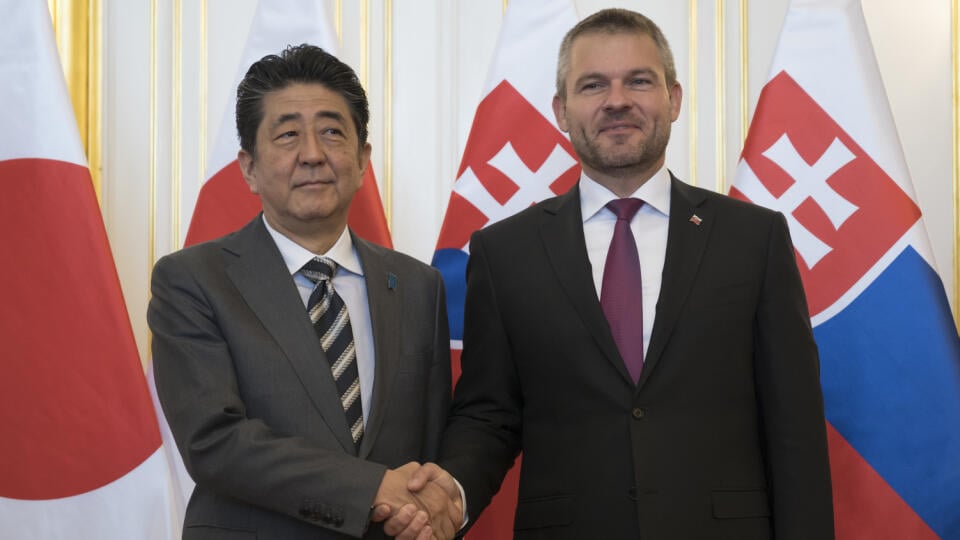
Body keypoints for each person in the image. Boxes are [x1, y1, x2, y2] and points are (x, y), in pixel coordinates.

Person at [391, 8, 834, 539]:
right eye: (593, 84)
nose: (617, 100)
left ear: (673, 98)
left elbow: (795, 428)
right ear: (561, 109)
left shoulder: (753, 239)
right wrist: (449, 496)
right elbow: (490, 414)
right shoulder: (504, 251)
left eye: (639, 81)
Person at [148, 44, 462, 540]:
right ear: (249, 167)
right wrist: (373, 487)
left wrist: (429, 508)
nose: (313, 154)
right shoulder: (192, 279)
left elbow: (430, 443)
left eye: (333, 132)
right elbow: (213, 441)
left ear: (362, 161)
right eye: (288, 134)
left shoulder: (420, 286)